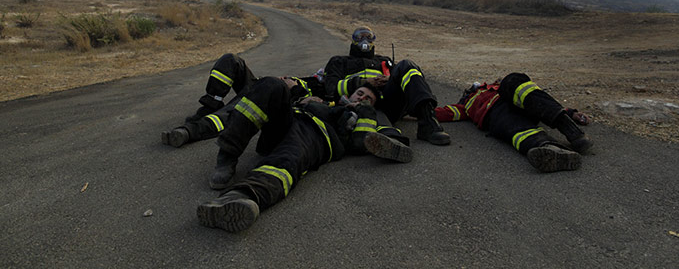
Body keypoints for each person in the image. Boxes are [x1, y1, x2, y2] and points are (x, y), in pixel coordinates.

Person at [197, 76, 412, 233]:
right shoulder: (322, 101)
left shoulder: (359, 115)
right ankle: (227, 156)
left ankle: (242, 197)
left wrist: (365, 110)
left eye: (368, 98)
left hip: (318, 136)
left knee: (289, 157)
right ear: (348, 94)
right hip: (287, 122)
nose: (363, 97)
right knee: (271, 84)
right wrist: (303, 98)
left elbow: (358, 144)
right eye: (360, 94)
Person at [435, 73, 592, 172]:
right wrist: (416, 111)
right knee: (512, 126)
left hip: (520, 104)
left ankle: (570, 129)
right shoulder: (465, 105)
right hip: (497, 115)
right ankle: (552, 150)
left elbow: (538, 99)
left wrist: (572, 113)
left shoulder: (499, 87)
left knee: (514, 80)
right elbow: (442, 113)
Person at [160, 53, 325, 148]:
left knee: (239, 109)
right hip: (262, 84)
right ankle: (211, 104)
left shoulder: (326, 91)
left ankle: (189, 131)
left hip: (273, 98)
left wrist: (292, 88)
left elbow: (311, 105)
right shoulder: (314, 76)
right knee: (231, 60)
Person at [323, 26, 451, 146]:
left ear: (374, 40)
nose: (365, 40)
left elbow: (405, 82)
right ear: (353, 40)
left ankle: (428, 123)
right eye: (360, 37)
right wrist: (364, 82)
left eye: (368, 37)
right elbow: (332, 89)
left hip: (388, 104)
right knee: (374, 114)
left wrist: (389, 80)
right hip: (359, 106)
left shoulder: (384, 61)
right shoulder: (339, 61)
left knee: (407, 66)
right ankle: (388, 138)